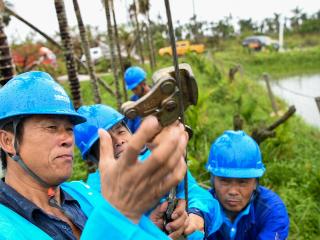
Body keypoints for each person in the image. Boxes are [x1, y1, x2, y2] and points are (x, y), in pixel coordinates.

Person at [0, 71, 189, 239]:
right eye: (51, 127)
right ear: (8, 142)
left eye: (69, 129)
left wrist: (140, 227)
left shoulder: (81, 193)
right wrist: (117, 215)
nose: (67, 139)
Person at [73, 104, 222, 239]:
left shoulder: (155, 159)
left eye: (121, 131)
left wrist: (197, 214)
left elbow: (194, 192)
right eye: (105, 141)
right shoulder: (93, 194)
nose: (119, 141)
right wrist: (147, 228)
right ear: (93, 156)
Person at [205, 130, 289, 240]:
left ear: (255, 183)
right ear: (213, 180)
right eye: (225, 181)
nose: (233, 191)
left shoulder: (272, 211)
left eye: (242, 182)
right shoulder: (201, 208)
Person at [124, 66, 151, 133]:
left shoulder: (155, 98)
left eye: (135, 88)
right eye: (132, 89)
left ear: (143, 83)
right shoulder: (134, 99)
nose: (134, 92)